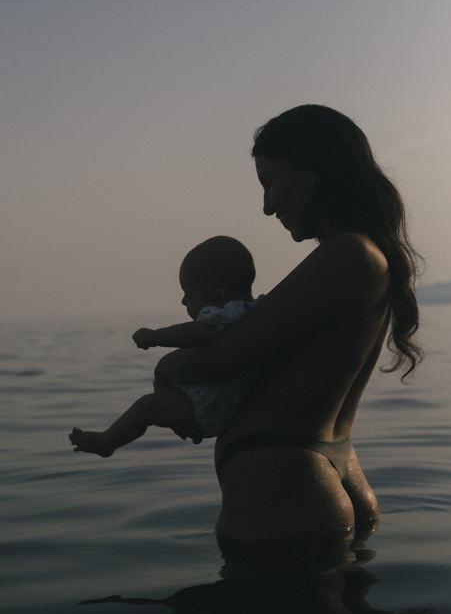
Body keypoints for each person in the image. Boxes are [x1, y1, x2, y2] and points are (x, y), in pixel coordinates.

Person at [152, 105, 423, 543]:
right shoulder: (367, 257)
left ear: (312, 172)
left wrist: (166, 372)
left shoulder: (347, 254)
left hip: (285, 485)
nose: (266, 206)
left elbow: (219, 359)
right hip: (317, 474)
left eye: (270, 182)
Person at [69, 236, 262, 456]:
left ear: (219, 298)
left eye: (188, 296)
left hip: (201, 404)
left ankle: (107, 441)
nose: (183, 302)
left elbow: (198, 333)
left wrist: (156, 336)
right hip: (227, 406)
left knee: (145, 408)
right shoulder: (255, 312)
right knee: (154, 405)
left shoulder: (224, 315)